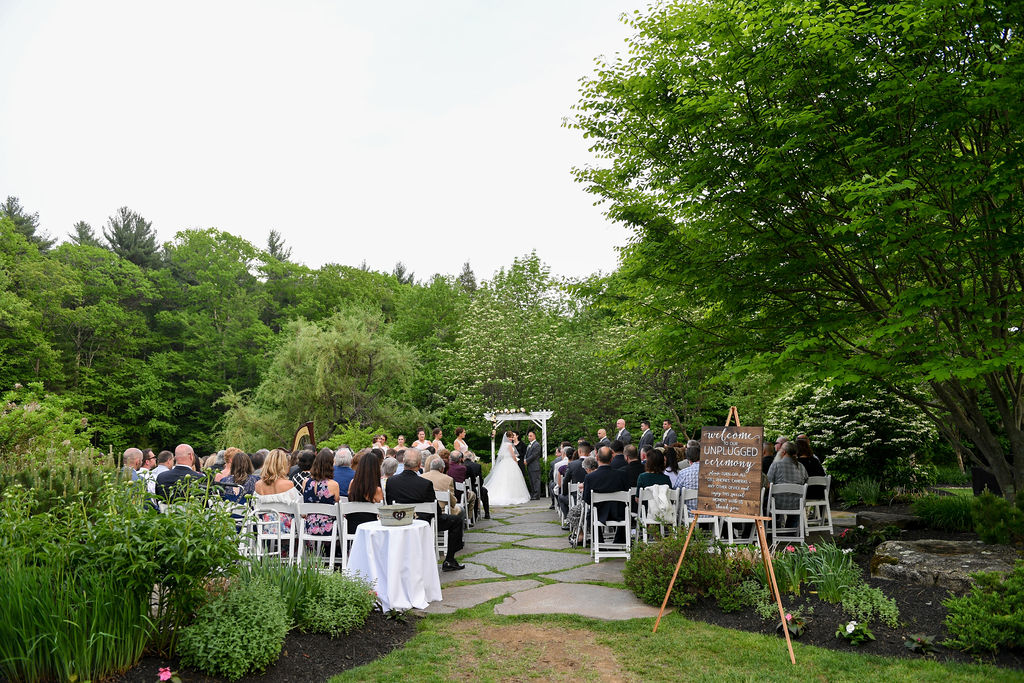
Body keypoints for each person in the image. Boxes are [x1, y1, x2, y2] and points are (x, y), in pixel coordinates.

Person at [385, 448, 464, 571]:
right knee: (457, 521)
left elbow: (389, 505)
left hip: (399, 520)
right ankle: (449, 559)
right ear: (418, 465)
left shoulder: (391, 481)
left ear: (403, 462)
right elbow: (435, 510)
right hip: (422, 522)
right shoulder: (425, 484)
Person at [582, 447, 630, 543]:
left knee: (589, 515)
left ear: (597, 458)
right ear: (612, 459)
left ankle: (599, 542)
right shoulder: (622, 475)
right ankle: (619, 541)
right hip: (619, 513)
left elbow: (587, 499)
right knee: (626, 511)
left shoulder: (590, 477)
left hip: (599, 514)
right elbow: (627, 494)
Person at [254, 448, 302, 535]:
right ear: (283, 465)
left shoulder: (258, 485)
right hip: (287, 529)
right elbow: (298, 508)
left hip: (266, 527)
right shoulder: (288, 484)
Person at [300, 449, 341, 540]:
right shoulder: (334, 485)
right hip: (329, 527)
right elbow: (337, 506)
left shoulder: (305, 482)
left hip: (309, 526)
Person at [766, 441, 808, 527]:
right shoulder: (801, 466)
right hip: (797, 505)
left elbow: (768, 484)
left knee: (765, 500)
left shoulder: (775, 465)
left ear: (784, 452)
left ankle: (772, 528)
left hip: (778, 504)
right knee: (796, 500)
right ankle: (791, 530)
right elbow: (805, 482)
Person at [484, 431, 532, 506]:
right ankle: (511, 495)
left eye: (512, 437)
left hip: (504, 462)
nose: (512, 438)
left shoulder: (504, 445)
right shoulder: (509, 445)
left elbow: (503, 454)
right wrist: (516, 461)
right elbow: (512, 455)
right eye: (511, 437)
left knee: (505, 478)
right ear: (507, 437)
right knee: (510, 478)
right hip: (510, 462)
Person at [347, 451, 384, 535]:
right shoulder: (376, 490)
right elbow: (382, 512)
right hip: (371, 529)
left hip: (352, 528)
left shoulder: (352, 483)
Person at [464, 451, 490, 519]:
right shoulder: (477, 466)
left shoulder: (461, 465)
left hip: (462, 489)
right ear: (472, 457)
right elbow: (480, 481)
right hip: (474, 488)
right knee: (484, 491)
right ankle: (487, 513)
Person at [524, 429, 543, 500]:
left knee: (536, 481)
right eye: (528, 436)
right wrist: (525, 459)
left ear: (534, 436)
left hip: (534, 466)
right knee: (532, 481)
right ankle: (533, 494)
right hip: (530, 466)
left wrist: (527, 461)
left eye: (530, 436)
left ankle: (536, 495)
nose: (529, 437)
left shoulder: (537, 445)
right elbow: (526, 454)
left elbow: (534, 455)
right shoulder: (529, 445)